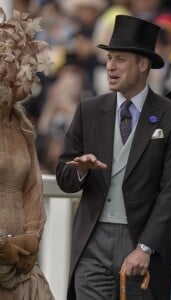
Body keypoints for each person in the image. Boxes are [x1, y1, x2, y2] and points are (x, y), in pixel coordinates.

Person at [56, 15, 171, 300]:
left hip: (140, 246)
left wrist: (145, 247)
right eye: (108, 59)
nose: (110, 67)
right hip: (91, 244)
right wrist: (80, 171)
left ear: (143, 65)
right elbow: (64, 177)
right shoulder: (88, 110)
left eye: (120, 59)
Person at [0, 8, 54, 300]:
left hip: (21, 264)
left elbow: (33, 190)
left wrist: (31, 239)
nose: (25, 70)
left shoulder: (21, 127)